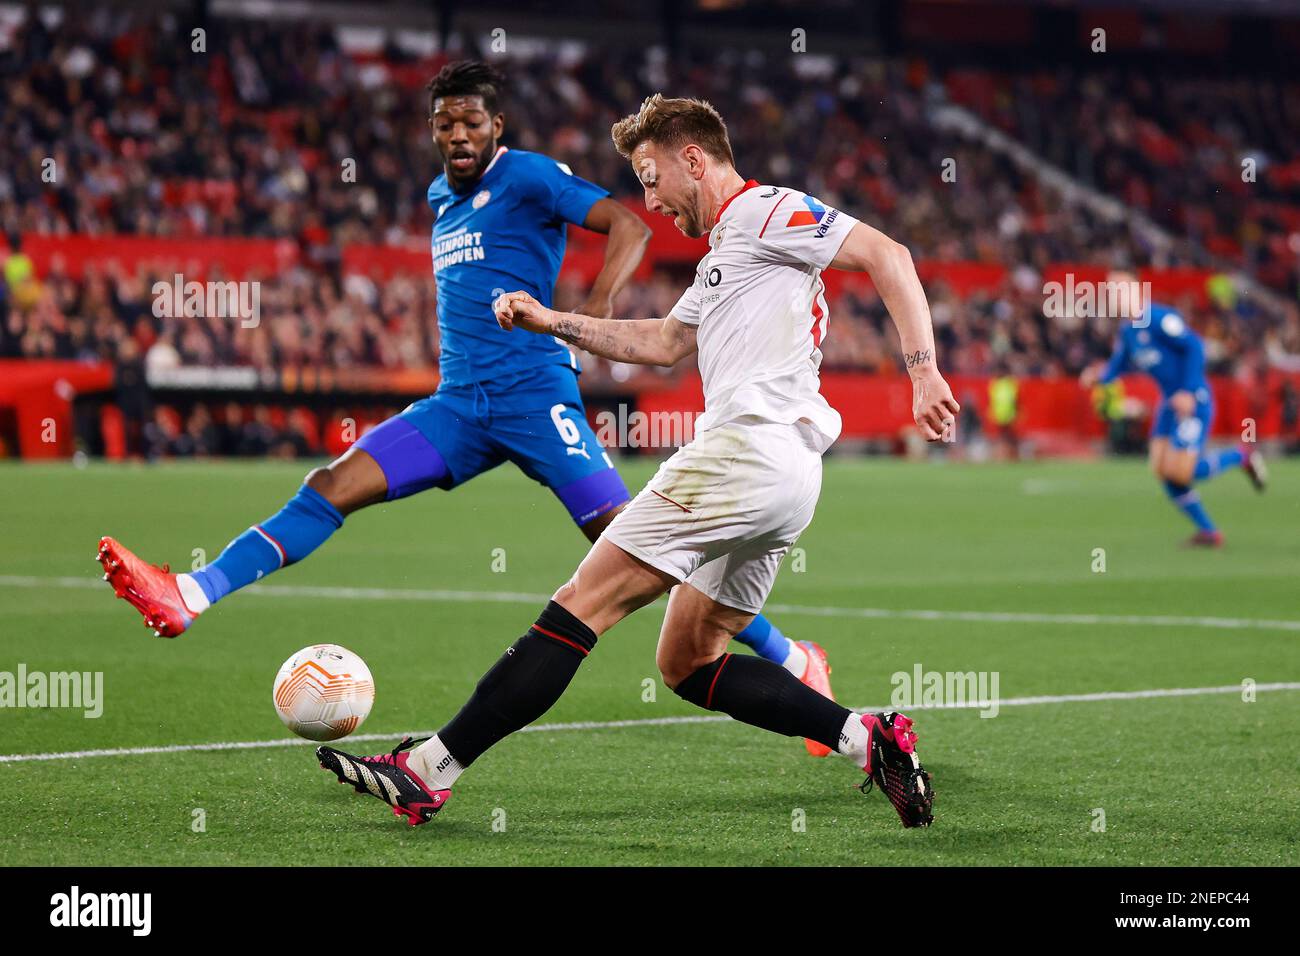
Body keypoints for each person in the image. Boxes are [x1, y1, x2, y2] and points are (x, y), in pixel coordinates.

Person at [96, 63, 833, 747]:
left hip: (535, 397)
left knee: (631, 545)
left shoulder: (530, 177)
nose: (458, 134)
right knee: (330, 486)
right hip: (458, 408)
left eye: (472, 122)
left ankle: (793, 657)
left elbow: (631, 224)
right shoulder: (439, 198)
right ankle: (191, 592)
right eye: (445, 123)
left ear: (497, 127)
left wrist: (592, 314)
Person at [316, 94, 960, 829]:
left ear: (694, 159)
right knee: (687, 662)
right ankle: (865, 738)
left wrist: (922, 370)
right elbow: (658, 342)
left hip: (741, 455)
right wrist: (550, 319)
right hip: (788, 479)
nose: (649, 200)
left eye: (652, 179)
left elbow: (888, 254)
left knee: (581, 603)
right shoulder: (728, 256)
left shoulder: (762, 211)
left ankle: (428, 769)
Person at [1081, 274, 1266, 546]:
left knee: (1181, 472)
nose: (1114, 297)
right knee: (1161, 469)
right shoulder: (1128, 330)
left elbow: (1194, 346)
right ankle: (1209, 532)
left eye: (1119, 290)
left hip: (1194, 400)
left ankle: (1241, 455)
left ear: (1136, 291)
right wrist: (1100, 376)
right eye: (1110, 293)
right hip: (1169, 404)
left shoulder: (1158, 318)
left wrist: (1188, 391)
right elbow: (1121, 363)